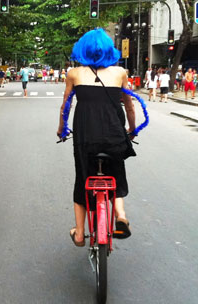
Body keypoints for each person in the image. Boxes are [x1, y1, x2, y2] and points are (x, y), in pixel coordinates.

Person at [57, 28, 136, 246]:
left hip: (85, 135)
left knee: (83, 179)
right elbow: (128, 104)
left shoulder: (74, 73)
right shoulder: (120, 73)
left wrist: (62, 128)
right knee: (116, 172)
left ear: (82, 49)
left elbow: (66, 105)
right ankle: (120, 216)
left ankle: (80, 233)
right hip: (114, 134)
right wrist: (133, 128)